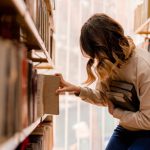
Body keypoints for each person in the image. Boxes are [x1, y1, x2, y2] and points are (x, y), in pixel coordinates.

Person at [55, 13, 150, 150]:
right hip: (127, 128)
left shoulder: (144, 66)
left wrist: (116, 112)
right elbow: (103, 97)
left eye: (96, 54)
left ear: (105, 46)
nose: (96, 60)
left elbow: (147, 120)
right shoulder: (108, 62)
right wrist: (78, 90)